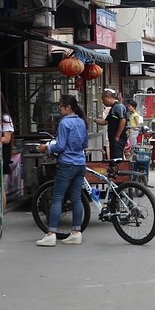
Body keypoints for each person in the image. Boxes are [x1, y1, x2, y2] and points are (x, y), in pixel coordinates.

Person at [36, 95, 88, 246]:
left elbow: (60, 146)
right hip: (80, 163)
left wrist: (47, 148)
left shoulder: (65, 123)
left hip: (67, 164)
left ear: (68, 107)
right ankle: (76, 232)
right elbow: (84, 144)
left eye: (60, 106)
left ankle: (51, 233)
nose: (58, 109)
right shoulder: (81, 122)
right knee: (76, 198)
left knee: (57, 197)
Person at [95, 88, 128, 159]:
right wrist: (94, 120)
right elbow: (106, 121)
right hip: (112, 138)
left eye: (103, 100)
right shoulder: (112, 108)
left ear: (108, 97)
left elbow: (123, 121)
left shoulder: (118, 106)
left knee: (117, 158)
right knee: (113, 157)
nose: (103, 103)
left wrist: (117, 136)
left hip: (118, 138)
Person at [0, 98, 14, 211]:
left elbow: (7, 139)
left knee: (0, 186)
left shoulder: (5, 118)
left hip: (2, 155)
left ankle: (1, 213)